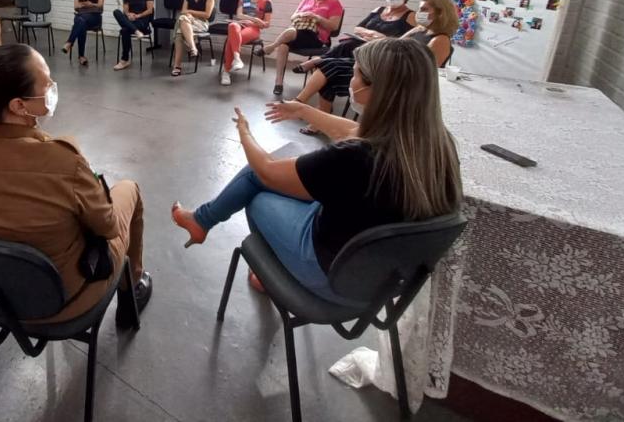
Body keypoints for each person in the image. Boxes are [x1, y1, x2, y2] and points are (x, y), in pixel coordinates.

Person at [170, 38, 462, 300]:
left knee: (256, 185)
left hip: (329, 276)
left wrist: (244, 133)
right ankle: (202, 220)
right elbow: (354, 131)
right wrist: (304, 110)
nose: (351, 80)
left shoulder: (356, 157)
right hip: (382, 279)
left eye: (356, 73)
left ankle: (266, 268)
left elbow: (267, 169)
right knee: (290, 163)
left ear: (377, 89)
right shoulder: (436, 143)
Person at [0, 44, 152, 327]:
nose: (52, 88)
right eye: (47, 83)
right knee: (129, 189)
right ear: (18, 105)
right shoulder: (64, 162)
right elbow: (108, 227)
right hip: (64, 302)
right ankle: (132, 286)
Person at [291, 0, 458, 135]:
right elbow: (394, 45)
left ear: (440, 13)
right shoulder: (419, 29)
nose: (420, 13)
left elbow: (423, 72)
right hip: (385, 67)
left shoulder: (440, 40)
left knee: (331, 67)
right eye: (420, 8)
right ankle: (316, 112)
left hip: (396, 79)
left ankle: (303, 104)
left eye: (424, 9)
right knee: (329, 69)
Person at [293, 0, 415, 73]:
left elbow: (409, 42)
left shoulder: (411, 15)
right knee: (347, 43)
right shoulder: (379, 10)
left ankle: (317, 61)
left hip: (382, 51)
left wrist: (383, 38)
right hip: (363, 43)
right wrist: (371, 33)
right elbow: (357, 28)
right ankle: (320, 63)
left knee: (343, 51)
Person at [258, 0, 343, 96]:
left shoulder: (335, 3)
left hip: (317, 39)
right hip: (299, 33)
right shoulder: (307, 0)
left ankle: (271, 47)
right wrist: (301, 15)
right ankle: (278, 82)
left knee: (291, 32)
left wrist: (316, 17)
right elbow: (293, 17)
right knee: (283, 46)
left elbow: (333, 27)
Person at [220, 0, 273, 86]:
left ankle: (226, 71)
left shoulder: (266, 2)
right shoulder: (245, 0)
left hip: (253, 29)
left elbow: (266, 24)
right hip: (241, 25)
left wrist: (255, 22)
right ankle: (237, 58)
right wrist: (255, 19)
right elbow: (239, 15)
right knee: (233, 25)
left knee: (231, 40)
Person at [171, 0, 215, 77]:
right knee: (181, 29)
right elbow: (183, 11)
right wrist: (188, 16)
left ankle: (177, 66)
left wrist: (190, 12)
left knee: (181, 24)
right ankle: (193, 48)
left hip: (202, 23)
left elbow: (207, 15)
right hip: (188, 22)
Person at [112, 0, 155, 71]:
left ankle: (124, 60)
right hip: (131, 20)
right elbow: (125, 10)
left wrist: (138, 15)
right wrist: (129, 15)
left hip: (142, 21)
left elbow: (150, 10)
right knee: (116, 12)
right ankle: (136, 31)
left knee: (125, 30)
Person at [63, 0, 105, 66]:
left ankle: (69, 43)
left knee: (80, 21)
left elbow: (100, 5)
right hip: (82, 17)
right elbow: (76, 6)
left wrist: (89, 4)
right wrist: (91, 5)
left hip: (95, 18)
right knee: (81, 22)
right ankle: (81, 56)